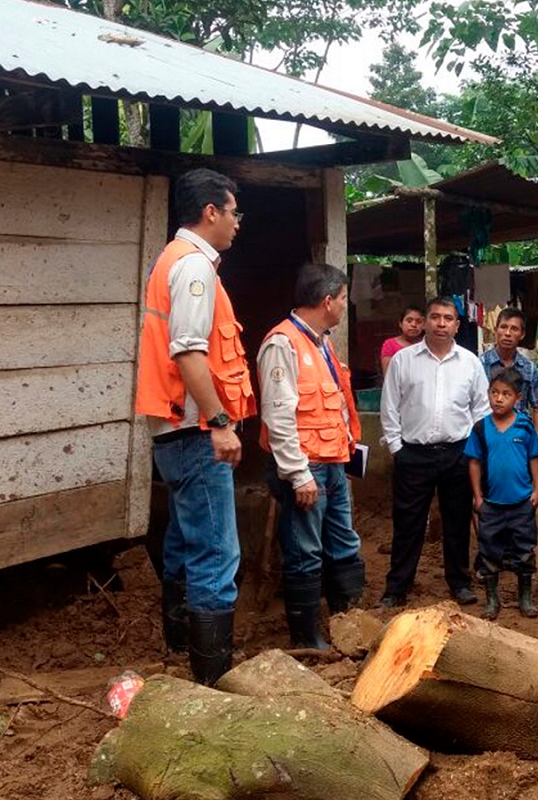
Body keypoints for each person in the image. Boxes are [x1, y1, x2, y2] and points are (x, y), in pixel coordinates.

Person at [135, 168, 254, 686]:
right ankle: (212, 679)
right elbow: (188, 350)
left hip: (173, 428)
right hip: (194, 428)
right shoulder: (196, 269)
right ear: (211, 212)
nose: (237, 224)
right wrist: (221, 423)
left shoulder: (171, 261)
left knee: (185, 540)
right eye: (233, 213)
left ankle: (178, 646)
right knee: (217, 551)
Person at [258, 263, 365, 649]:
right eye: (341, 298)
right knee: (305, 551)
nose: (343, 305)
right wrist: (297, 474)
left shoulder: (323, 342)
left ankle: (349, 626)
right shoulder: (282, 344)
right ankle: (308, 640)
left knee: (344, 542)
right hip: (306, 467)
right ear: (326, 301)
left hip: (333, 461)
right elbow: (278, 415)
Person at [379, 297, 490, 608]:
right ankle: (397, 587)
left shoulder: (470, 362)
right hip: (413, 454)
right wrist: (397, 447)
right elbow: (389, 406)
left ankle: (460, 583)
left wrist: (474, 452)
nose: (441, 324)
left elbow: (480, 410)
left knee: (457, 521)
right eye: (436, 317)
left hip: (457, 453)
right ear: (425, 321)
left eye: (448, 318)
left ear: (457, 325)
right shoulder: (404, 360)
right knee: (408, 523)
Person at [465, 367, 538, 620]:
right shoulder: (480, 428)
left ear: (518, 398)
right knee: (489, 550)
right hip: (491, 503)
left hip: (521, 502)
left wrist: (537, 489)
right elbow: (474, 462)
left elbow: (534, 457)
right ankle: (492, 600)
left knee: (524, 549)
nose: (498, 399)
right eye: (494, 393)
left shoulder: (525, 426)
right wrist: (477, 495)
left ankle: (525, 598)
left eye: (506, 394)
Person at [479, 307, 538, 423]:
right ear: (495, 330)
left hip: (519, 432)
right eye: (503, 327)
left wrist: (535, 439)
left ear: (522, 334)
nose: (507, 333)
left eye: (514, 329)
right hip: (487, 431)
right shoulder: (481, 364)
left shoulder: (529, 368)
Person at [381, 305, 425, 376]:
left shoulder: (426, 345)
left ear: (424, 326)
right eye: (409, 321)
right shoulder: (390, 344)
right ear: (400, 324)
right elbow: (388, 375)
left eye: (418, 322)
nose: (413, 325)